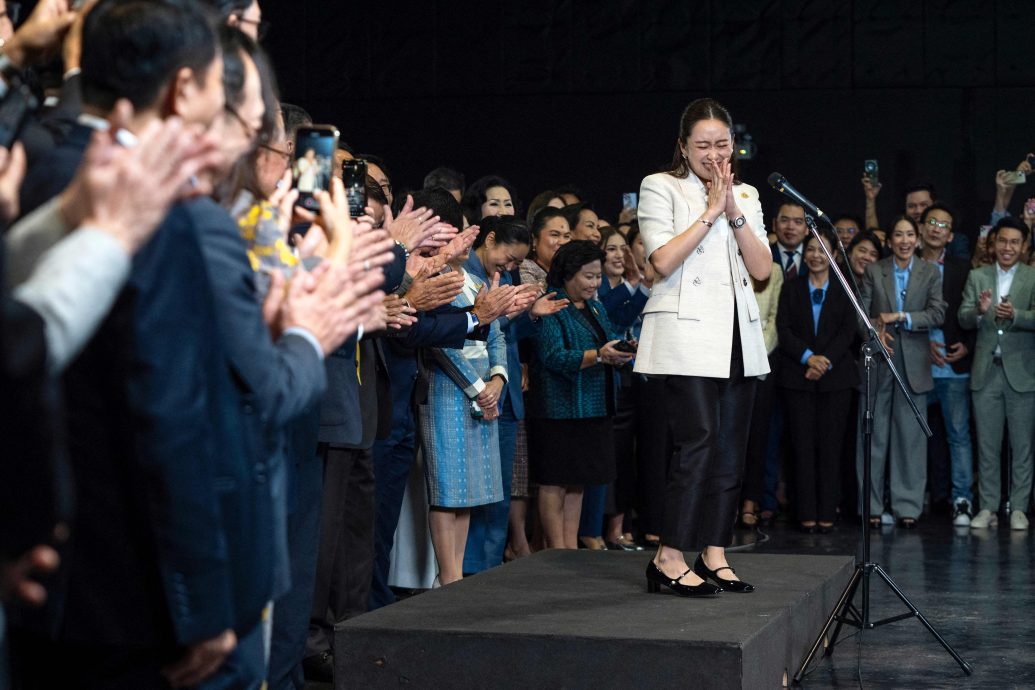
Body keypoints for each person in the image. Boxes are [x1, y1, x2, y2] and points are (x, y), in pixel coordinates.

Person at [636, 97, 772, 596]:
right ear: (683, 147)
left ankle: (714, 552)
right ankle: (668, 556)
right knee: (698, 442)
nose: (714, 156)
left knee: (731, 451)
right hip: (687, 334)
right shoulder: (661, 187)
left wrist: (732, 208)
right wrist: (710, 210)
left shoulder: (749, 195)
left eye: (722, 145)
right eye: (703, 146)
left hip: (738, 334)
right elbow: (662, 261)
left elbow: (761, 270)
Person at [528, 240, 633, 549]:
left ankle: (570, 547)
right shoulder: (552, 304)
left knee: (578, 481)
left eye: (597, 276)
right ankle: (556, 548)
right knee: (554, 481)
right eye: (588, 276)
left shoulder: (596, 306)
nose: (595, 283)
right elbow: (553, 357)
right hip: (559, 408)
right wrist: (598, 356)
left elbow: (609, 339)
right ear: (568, 274)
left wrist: (622, 350)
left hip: (594, 405)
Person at [419, 235, 510, 585]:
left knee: (468, 489)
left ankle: (455, 573)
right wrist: (478, 389)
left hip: (485, 390)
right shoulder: (433, 283)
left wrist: (498, 379)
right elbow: (440, 344)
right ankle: (448, 573)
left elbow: (496, 333)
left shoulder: (476, 281)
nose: (461, 246)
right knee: (448, 487)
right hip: (447, 391)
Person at [858, 216, 946, 528]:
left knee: (910, 440)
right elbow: (861, 314)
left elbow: (937, 312)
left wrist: (902, 316)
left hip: (915, 364)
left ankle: (907, 506)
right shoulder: (873, 270)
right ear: (891, 240)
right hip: (881, 360)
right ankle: (871, 506)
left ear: (918, 238)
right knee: (874, 437)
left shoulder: (930, 271)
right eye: (899, 234)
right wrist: (875, 332)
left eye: (910, 234)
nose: (905, 240)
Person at [776, 227, 859, 533]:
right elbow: (784, 330)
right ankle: (805, 513)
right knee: (801, 446)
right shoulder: (792, 287)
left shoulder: (845, 289)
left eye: (823, 251)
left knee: (831, 447)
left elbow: (847, 332)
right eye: (811, 249)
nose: (815, 256)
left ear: (835, 256)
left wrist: (823, 362)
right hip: (798, 377)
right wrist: (808, 358)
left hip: (836, 379)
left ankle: (827, 512)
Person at [959, 217, 1035, 531]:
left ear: (1024, 246)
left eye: (1014, 242)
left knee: (1022, 446)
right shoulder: (978, 276)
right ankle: (987, 506)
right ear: (993, 244)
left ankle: (1019, 507)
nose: (1007, 247)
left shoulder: (1033, 277)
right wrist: (978, 311)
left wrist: (1016, 315)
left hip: (1022, 372)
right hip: (985, 371)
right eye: (1002, 241)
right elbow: (962, 318)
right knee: (987, 445)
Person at [918, 204, 976, 526]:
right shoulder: (907, 265)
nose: (937, 228)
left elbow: (970, 317)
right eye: (932, 222)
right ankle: (909, 500)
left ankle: (962, 500)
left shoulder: (962, 268)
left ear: (951, 235)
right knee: (911, 436)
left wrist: (966, 346)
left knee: (958, 436)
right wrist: (922, 346)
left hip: (954, 365)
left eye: (944, 224)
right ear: (922, 228)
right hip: (918, 364)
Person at [771, 201, 807, 279]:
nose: (790, 227)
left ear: (807, 228)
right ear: (774, 224)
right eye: (784, 220)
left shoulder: (815, 259)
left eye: (798, 222)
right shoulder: (765, 255)